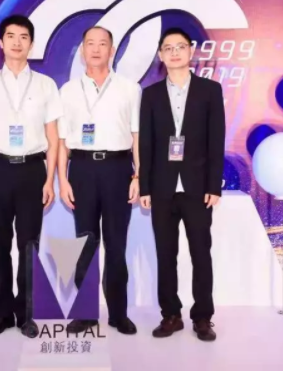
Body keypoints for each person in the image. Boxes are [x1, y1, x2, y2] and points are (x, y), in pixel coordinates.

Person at [0, 14, 62, 338]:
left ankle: (27, 315)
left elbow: (53, 137)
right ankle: (1, 314)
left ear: (31, 44)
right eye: (11, 36)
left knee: (29, 246)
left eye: (23, 37)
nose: (17, 42)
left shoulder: (46, 85)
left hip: (33, 170)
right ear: (1, 42)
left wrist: (49, 180)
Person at [139, 27, 225, 342]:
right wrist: (145, 187)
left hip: (197, 188)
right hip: (162, 188)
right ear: (160, 55)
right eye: (168, 48)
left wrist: (213, 185)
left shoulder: (210, 90)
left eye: (180, 47)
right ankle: (171, 315)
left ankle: (202, 317)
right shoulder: (150, 94)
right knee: (166, 254)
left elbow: (216, 140)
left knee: (201, 253)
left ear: (190, 51)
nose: (174, 52)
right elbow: (146, 144)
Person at [57, 26, 141, 335]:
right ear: (82, 51)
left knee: (116, 244)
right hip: (81, 169)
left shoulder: (130, 89)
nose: (95, 49)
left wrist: (139, 174)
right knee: (85, 242)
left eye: (102, 43)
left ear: (112, 50)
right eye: (90, 43)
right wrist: (62, 180)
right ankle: (86, 313)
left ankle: (118, 313)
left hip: (118, 168)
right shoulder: (67, 91)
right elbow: (62, 141)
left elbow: (136, 136)